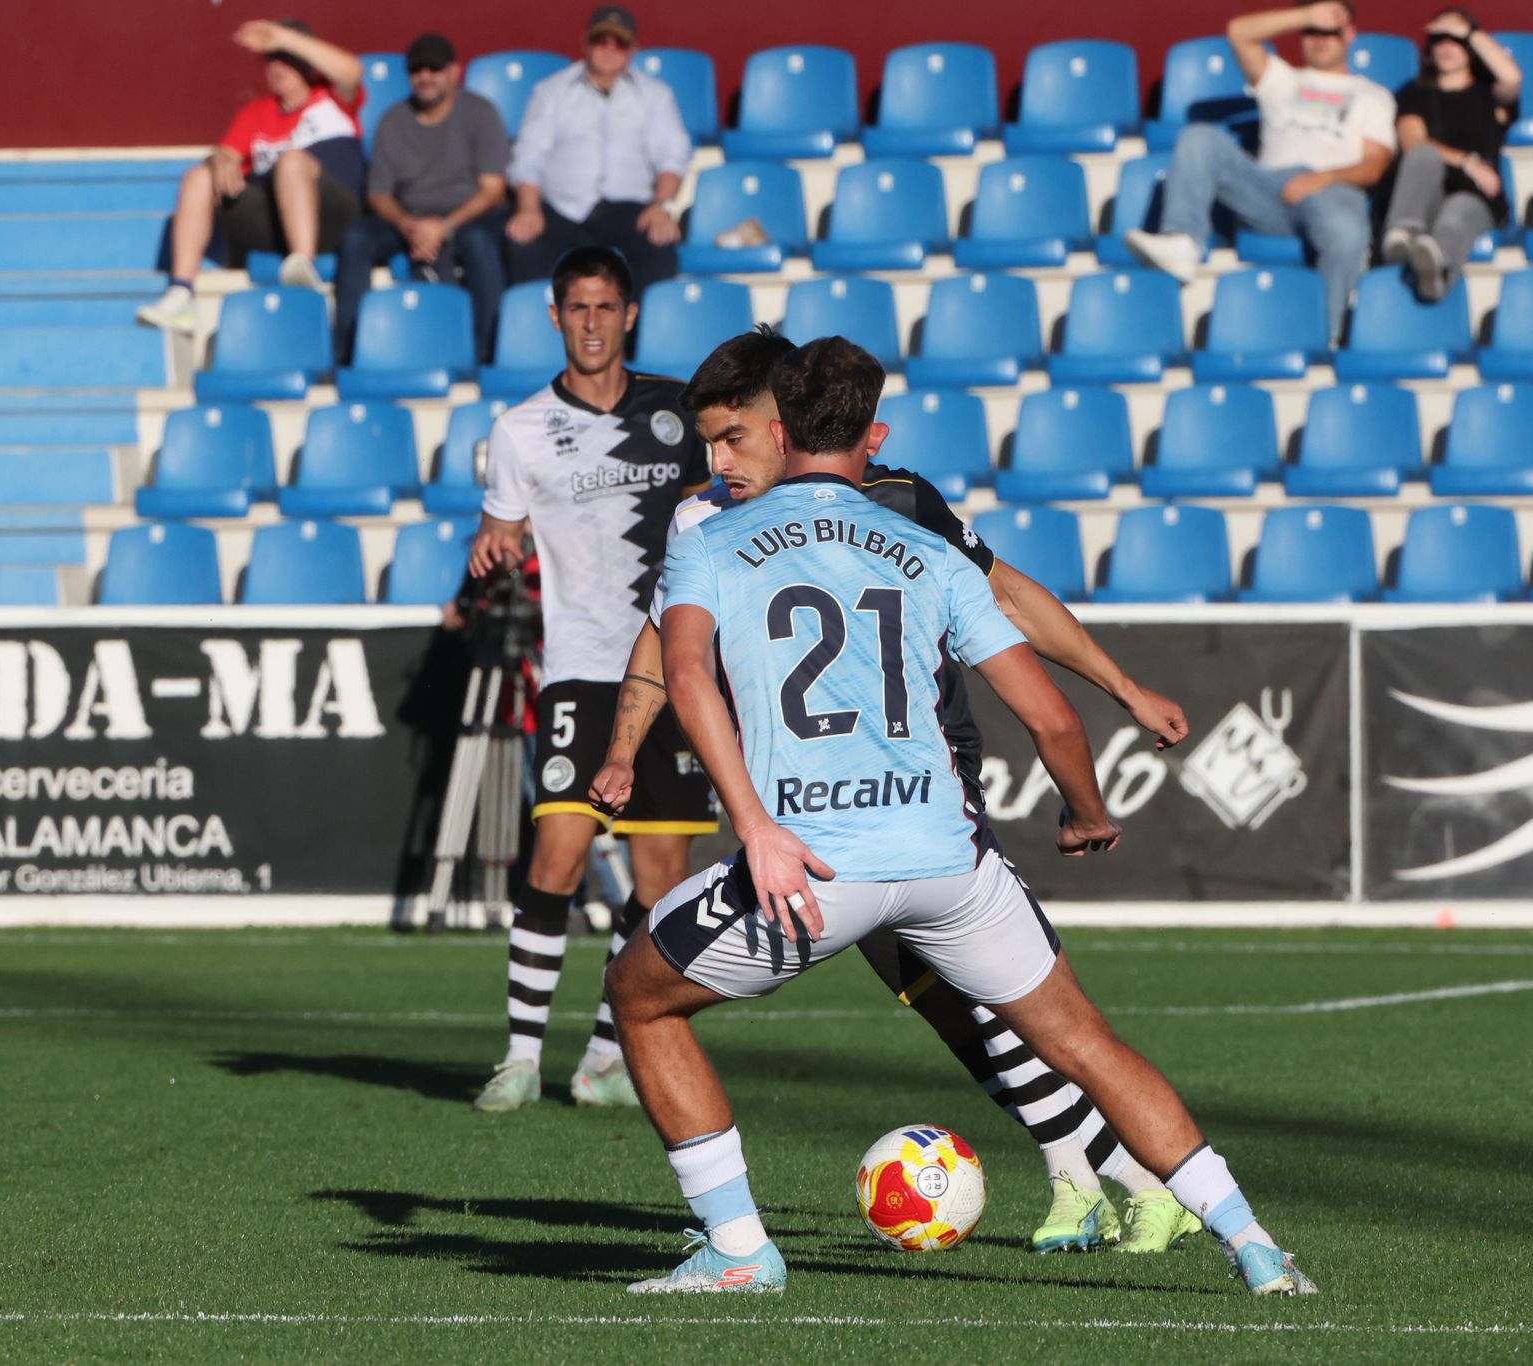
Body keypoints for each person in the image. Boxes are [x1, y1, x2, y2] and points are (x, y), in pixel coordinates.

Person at [606, 337, 1316, 1298]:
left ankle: (739, 1248)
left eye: (734, 439)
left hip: (817, 867)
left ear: (780, 430)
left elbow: (684, 670)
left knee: (642, 996)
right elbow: (1051, 715)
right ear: (874, 433)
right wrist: (1084, 811)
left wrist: (755, 826)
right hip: (949, 856)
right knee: (1085, 1042)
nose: (718, 462)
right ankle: (1255, 1243)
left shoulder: (710, 539)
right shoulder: (922, 545)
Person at [463, 245, 714, 1114]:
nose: (593, 322)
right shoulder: (520, 429)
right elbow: (498, 533)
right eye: (578, 308)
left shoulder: (679, 413)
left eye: (607, 307)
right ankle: (521, 1056)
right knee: (560, 852)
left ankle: (605, 1056)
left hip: (676, 670)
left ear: (630, 314)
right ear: (556, 316)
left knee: (659, 883)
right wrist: (492, 548)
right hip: (579, 670)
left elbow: (717, 515)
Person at [1127, 1, 1396, 343]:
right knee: (1199, 137)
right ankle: (1182, 241)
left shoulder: (1372, 95)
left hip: (1331, 190)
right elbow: (1238, 32)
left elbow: (1374, 165)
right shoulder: (1282, 79)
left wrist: (1320, 179)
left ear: (1349, 34)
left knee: (1347, 232)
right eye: (1312, 30)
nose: (1320, 38)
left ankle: (1325, 334)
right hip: (1266, 189)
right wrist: (1305, 14)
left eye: (1330, 30)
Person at [138, 19, 365, 332]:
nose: (275, 67)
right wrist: (220, 161)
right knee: (199, 176)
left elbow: (351, 69)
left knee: (291, 161)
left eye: (284, 58)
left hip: (338, 216)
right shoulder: (257, 112)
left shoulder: (332, 96)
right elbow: (226, 152)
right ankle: (181, 293)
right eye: (270, 59)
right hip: (279, 221)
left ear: (305, 61)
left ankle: (304, 270)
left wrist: (283, 37)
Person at [334, 33, 511, 367]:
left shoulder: (480, 113)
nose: (426, 76)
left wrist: (443, 227)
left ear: (454, 72)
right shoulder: (393, 120)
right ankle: (347, 353)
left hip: (467, 215)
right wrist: (409, 225)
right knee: (355, 239)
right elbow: (379, 194)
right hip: (410, 216)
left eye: (435, 68)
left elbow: (493, 190)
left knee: (479, 242)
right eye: (417, 70)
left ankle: (488, 354)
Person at [503, 6, 691, 303]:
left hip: (629, 210)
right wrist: (528, 208)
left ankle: (639, 341)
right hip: (561, 210)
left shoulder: (655, 94)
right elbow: (528, 156)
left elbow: (672, 154)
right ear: (586, 42)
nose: (609, 49)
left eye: (620, 42)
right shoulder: (551, 91)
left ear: (633, 49)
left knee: (659, 245)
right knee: (522, 243)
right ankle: (537, 340)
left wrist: (662, 205)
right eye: (601, 40)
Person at [1380, 10, 1522, 302]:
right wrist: (1467, 162)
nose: (1446, 47)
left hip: (1474, 197)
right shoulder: (1414, 93)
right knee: (1424, 156)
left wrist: (1469, 30)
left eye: (1454, 40)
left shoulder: (1488, 94)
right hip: (1426, 195)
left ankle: (1437, 272)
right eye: (1438, 40)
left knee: (1457, 214)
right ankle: (1401, 235)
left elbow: (1512, 77)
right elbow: (1413, 141)